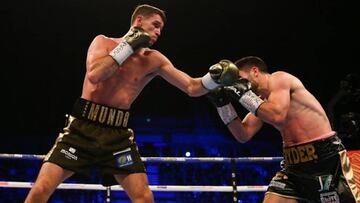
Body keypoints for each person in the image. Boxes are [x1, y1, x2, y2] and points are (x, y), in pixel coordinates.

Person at [24, 4, 239, 203]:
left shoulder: (153, 59)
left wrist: (214, 78)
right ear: (138, 21)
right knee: (41, 189)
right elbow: (95, 75)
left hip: (118, 136)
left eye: (161, 29)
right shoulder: (103, 42)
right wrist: (127, 46)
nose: (158, 32)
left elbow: (192, 87)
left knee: (144, 197)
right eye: (155, 25)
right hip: (81, 129)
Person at [207, 56, 360, 202]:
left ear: (255, 71)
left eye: (241, 78)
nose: (237, 84)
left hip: (324, 160)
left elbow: (277, 115)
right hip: (293, 166)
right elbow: (243, 134)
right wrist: (222, 105)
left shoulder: (280, 78)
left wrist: (244, 95)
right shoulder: (263, 104)